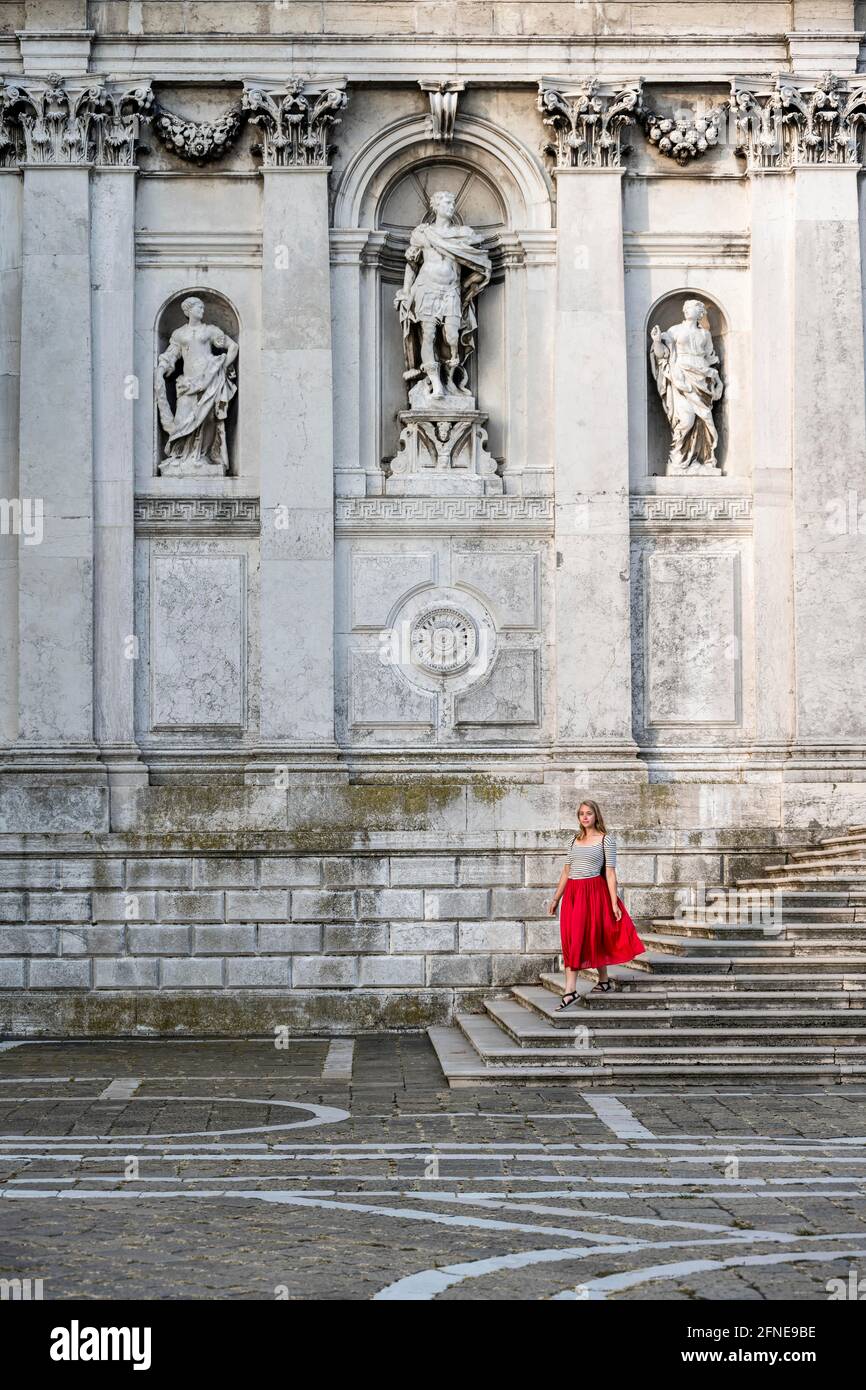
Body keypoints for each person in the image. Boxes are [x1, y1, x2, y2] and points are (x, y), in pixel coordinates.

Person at [547, 799, 645, 1011]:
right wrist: (556, 898)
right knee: (572, 939)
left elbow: (610, 873)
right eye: (581, 813)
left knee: (593, 937)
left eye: (588, 813)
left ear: (596, 816)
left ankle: (570, 990)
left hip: (594, 893)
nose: (584, 817)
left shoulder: (605, 841)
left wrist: (614, 903)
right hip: (573, 894)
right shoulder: (573, 841)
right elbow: (566, 871)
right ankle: (602, 981)